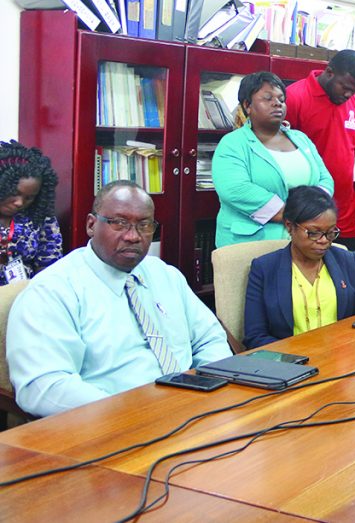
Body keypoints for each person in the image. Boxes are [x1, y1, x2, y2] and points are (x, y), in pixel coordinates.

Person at [6, 182, 231, 418]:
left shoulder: (164, 275)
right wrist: (128, 413)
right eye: (119, 223)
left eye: (144, 225)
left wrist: (210, 389)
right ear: (91, 225)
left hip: (191, 410)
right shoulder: (53, 291)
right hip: (109, 424)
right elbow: (44, 386)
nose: (133, 236)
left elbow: (210, 339)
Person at [211, 71, 333, 248]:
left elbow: (325, 179)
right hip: (250, 244)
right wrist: (295, 214)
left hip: (301, 243)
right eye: (267, 98)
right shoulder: (233, 143)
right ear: (247, 105)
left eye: (281, 99)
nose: (277, 103)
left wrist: (312, 209)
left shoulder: (301, 139)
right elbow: (235, 189)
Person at [244, 186, 355, 348]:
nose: (324, 240)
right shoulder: (264, 269)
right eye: (313, 232)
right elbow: (255, 336)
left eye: (331, 232)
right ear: (290, 226)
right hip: (291, 365)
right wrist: (299, 357)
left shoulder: (349, 262)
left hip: (342, 360)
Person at [285, 49, 355, 246]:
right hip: (306, 213)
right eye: (344, 87)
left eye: (354, 90)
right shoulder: (295, 97)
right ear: (329, 72)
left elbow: (352, 150)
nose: (349, 94)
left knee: (341, 274)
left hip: (344, 213)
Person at [0, 140, 62, 285]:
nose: (19, 202)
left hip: (24, 297)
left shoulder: (41, 218)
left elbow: (50, 268)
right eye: (14, 193)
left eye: (29, 197)